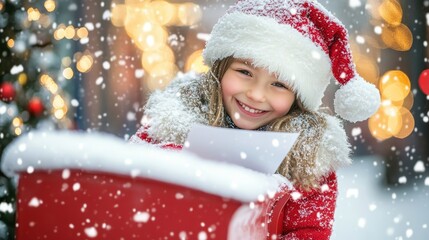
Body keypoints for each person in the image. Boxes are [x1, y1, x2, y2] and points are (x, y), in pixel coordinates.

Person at [130, 0, 381, 239]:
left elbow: (308, 233)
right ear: (220, 69)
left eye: (279, 84)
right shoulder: (170, 126)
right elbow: (128, 195)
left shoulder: (308, 165)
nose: (256, 94)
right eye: (244, 72)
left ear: (298, 99)